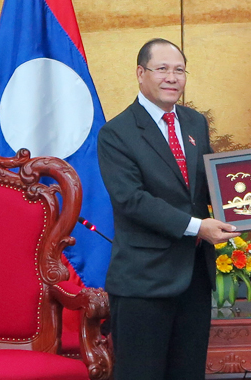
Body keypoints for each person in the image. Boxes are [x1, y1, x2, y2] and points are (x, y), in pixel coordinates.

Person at [97, 38, 239, 380]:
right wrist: (197, 227)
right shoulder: (116, 133)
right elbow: (132, 200)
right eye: (162, 69)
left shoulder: (194, 123)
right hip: (144, 280)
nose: (172, 78)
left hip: (194, 277)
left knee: (188, 373)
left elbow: (208, 186)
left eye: (179, 70)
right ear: (140, 73)